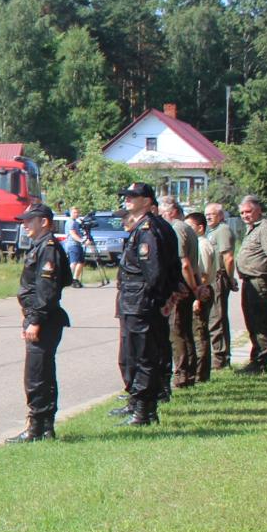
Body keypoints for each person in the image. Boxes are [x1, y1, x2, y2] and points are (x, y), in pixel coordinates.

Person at [112, 182, 178, 426]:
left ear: (148, 201)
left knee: (143, 356)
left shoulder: (148, 229)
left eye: (133, 196)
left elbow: (154, 271)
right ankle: (139, 406)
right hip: (135, 301)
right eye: (126, 196)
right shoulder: (142, 226)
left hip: (141, 302)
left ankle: (143, 410)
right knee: (136, 354)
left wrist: (160, 299)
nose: (127, 199)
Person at [8, 203, 71, 443]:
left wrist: (34, 321)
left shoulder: (48, 248)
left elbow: (47, 290)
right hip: (40, 317)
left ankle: (36, 427)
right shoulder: (41, 246)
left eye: (29, 220)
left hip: (44, 319)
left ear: (44, 222)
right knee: (42, 373)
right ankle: (45, 427)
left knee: (36, 376)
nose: (25, 225)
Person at [234, 195, 267, 374]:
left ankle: (260, 363)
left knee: (259, 322)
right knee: (251, 322)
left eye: (248, 211)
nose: (245, 215)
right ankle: (255, 359)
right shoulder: (252, 228)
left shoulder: (266, 228)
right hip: (249, 281)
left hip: (260, 280)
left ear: (258, 210)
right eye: (242, 213)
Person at [161, 197, 202, 392]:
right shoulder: (187, 228)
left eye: (163, 212)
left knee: (176, 331)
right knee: (185, 330)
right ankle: (190, 371)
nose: (161, 216)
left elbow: (184, 263)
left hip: (182, 285)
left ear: (172, 212)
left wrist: (193, 288)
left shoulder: (177, 229)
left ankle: (182, 375)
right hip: (189, 284)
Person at [203, 202, 236, 370]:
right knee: (213, 318)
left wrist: (229, 278)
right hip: (212, 277)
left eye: (212, 214)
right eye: (206, 214)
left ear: (221, 216)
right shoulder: (212, 231)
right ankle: (219, 356)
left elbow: (228, 258)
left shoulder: (222, 230)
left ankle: (221, 359)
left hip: (219, 276)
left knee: (217, 318)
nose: (208, 217)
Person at [187, 212, 218, 384]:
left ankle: (201, 374)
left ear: (200, 228)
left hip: (202, 292)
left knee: (199, 333)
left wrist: (197, 298)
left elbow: (204, 275)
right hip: (200, 291)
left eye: (190, 227)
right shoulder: (196, 243)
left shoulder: (202, 245)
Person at [64, 206, 91, 288]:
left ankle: (75, 279)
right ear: (70, 213)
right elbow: (73, 234)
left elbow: (78, 233)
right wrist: (82, 241)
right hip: (72, 244)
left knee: (80, 262)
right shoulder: (71, 222)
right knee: (74, 262)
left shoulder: (75, 222)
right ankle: (67, 278)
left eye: (77, 212)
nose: (76, 214)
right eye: (74, 212)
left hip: (77, 244)